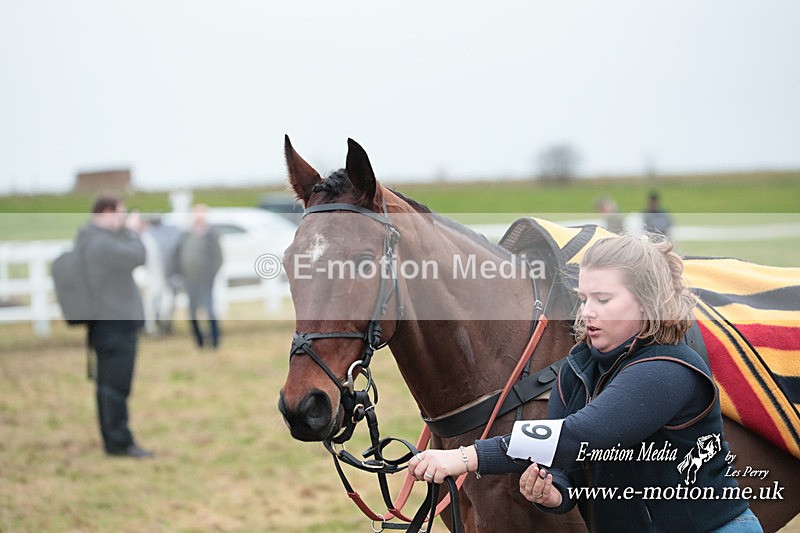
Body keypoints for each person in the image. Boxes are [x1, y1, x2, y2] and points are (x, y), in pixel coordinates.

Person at [408, 235, 762, 532]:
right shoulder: (577, 369)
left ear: (645, 302)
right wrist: (554, 494)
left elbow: (578, 435)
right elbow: (565, 467)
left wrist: (466, 457)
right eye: (583, 299)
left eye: (603, 300)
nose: (587, 311)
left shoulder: (667, 369)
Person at [80, 194, 154, 458]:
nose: (123, 220)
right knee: (115, 387)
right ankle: (119, 443)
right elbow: (137, 256)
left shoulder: (90, 238)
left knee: (110, 386)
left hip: (106, 323)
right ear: (108, 212)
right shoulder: (100, 243)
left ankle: (116, 441)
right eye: (120, 214)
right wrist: (133, 232)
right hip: (113, 325)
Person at [175, 204, 223, 350]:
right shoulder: (185, 234)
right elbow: (176, 255)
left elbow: (218, 257)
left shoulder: (211, 234)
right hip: (189, 279)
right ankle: (199, 341)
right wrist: (178, 273)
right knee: (192, 310)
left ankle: (214, 340)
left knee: (209, 309)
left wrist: (211, 274)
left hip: (206, 279)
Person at [143, 214, 183, 335]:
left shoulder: (167, 235)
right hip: (152, 277)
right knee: (151, 303)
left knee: (167, 302)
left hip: (165, 276)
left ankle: (165, 325)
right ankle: (151, 328)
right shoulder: (146, 237)